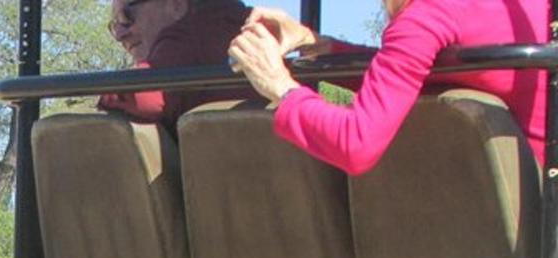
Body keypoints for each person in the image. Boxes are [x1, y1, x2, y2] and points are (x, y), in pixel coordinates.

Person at [228, 1, 548, 175]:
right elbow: (408, 70)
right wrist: (318, 44)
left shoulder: (426, 15)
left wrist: (279, 86)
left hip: (533, 236)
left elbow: (356, 144)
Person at [100, 0, 256, 130]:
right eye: (115, 25)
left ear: (176, 5)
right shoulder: (256, 29)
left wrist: (106, 95)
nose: (120, 35)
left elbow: (143, 98)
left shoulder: (190, 37)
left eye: (127, 16)